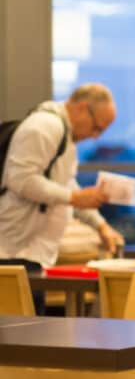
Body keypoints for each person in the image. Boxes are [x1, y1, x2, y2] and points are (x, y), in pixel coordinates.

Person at [0, 83, 124, 314]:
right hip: (13, 253)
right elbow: (21, 180)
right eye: (97, 127)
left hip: (29, 253)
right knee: (21, 338)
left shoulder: (64, 137)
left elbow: (66, 187)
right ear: (81, 108)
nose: (95, 137)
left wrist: (101, 225)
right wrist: (74, 197)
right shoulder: (44, 126)